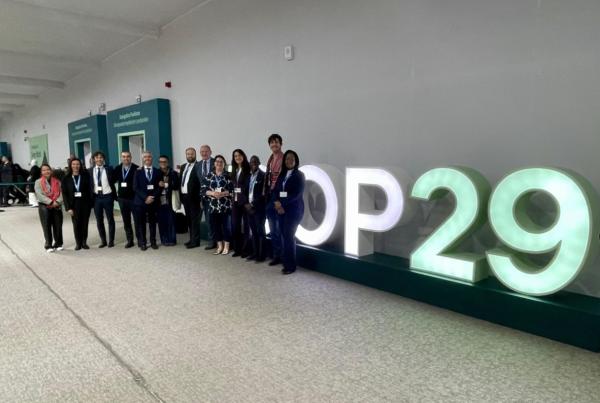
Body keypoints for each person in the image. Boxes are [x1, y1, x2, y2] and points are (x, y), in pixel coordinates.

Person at [272, 150, 305, 275]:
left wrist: (282, 204)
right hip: (280, 210)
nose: (289, 161)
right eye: (286, 159)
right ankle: (286, 262)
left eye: (291, 158)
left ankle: (290, 266)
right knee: (283, 235)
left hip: (293, 210)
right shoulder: (282, 174)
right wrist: (276, 202)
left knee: (288, 236)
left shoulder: (299, 175)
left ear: (296, 161)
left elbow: (297, 194)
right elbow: (275, 191)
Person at [200, 154, 233, 255]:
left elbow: (232, 190)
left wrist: (223, 194)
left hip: (225, 206)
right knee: (216, 227)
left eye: (221, 162)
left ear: (224, 164)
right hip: (213, 206)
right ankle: (220, 246)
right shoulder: (209, 176)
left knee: (226, 227)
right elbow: (203, 190)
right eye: (217, 161)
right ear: (214, 163)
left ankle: (226, 246)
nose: (219, 163)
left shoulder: (228, 175)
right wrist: (213, 193)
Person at [263, 134, 285, 265]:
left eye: (276, 142)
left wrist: (279, 198)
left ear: (281, 144)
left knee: (280, 228)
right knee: (272, 228)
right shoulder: (271, 159)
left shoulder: (285, 158)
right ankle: (277, 255)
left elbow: (284, 179)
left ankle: (283, 256)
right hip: (270, 195)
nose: (274, 145)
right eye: (271, 143)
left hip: (279, 196)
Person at [61, 158, 92, 250]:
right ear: (70, 165)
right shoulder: (66, 178)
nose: (76, 166)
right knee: (76, 224)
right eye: (73, 164)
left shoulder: (85, 176)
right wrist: (68, 208)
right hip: (73, 205)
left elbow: (90, 190)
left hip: (85, 204)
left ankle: (84, 242)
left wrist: (90, 203)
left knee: (85, 224)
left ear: (80, 165)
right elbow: (64, 194)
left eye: (77, 164)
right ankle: (78, 243)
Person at [133, 151, 161, 251]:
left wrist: (152, 197)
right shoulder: (137, 171)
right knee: (141, 223)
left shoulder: (157, 171)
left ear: (152, 158)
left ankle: (153, 242)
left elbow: (160, 187)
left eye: (149, 156)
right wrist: (145, 198)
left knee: (153, 223)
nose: (147, 158)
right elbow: (135, 187)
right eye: (145, 157)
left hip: (153, 201)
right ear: (143, 159)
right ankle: (143, 242)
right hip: (141, 202)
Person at [89, 151, 116, 248]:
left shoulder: (109, 169)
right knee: (99, 220)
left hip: (108, 197)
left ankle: (111, 240)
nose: (99, 159)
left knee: (110, 219)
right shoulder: (90, 171)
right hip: (96, 198)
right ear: (94, 159)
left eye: (101, 157)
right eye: (97, 157)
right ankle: (103, 241)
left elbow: (118, 175)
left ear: (103, 159)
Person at [112, 151, 139, 248]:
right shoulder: (118, 168)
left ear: (131, 157)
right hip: (122, 199)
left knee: (137, 220)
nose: (126, 158)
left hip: (134, 199)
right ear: (121, 158)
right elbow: (112, 181)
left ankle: (140, 239)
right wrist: (115, 196)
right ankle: (130, 240)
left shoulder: (137, 168)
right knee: (126, 221)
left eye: (128, 156)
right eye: (123, 157)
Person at [34, 164, 64, 252]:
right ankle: (48, 245)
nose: (46, 171)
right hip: (44, 206)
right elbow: (39, 195)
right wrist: (50, 202)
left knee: (58, 225)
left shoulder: (57, 181)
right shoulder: (38, 182)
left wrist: (57, 201)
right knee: (46, 226)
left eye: (48, 169)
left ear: (51, 171)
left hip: (57, 205)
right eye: (44, 170)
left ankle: (58, 243)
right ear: (41, 172)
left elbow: (62, 193)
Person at [245, 155, 267, 262]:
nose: (253, 163)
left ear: (259, 163)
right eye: (251, 162)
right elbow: (245, 191)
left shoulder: (264, 176)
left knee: (260, 232)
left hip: (259, 208)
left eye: (255, 161)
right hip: (249, 209)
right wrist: (246, 204)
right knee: (253, 232)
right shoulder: (248, 176)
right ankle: (255, 253)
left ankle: (261, 255)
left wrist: (252, 204)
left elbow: (264, 194)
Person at [230, 149, 251, 257]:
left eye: (239, 155)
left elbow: (248, 186)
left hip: (245, 201)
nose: (237, 157)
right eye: (235, 156)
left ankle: (246, 250)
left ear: (243, 156)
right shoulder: (234, 170)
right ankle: (237, 249)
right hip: (235, 201)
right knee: (235, 226)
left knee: (246, 226)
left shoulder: (248, 169)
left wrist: (246, 200)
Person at [179, 147, 201, 248]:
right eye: (188, 154)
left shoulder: (199, 166)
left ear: (195, 154)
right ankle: (192, 239)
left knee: (194, 220)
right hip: (184, 197)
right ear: (186, 155)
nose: (190, 156)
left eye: (192, 154)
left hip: (194, 197)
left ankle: (195, 241)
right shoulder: (183, 166)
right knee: (188, 219)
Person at [157, 155, 180, 246]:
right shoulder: (156, 172)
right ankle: (164, 240)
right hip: (160, 201)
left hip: (171, 200)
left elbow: (176, 185)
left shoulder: (173, 173)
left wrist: (166, 185)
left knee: (171, 221)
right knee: (162, 221)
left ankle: (172, 240)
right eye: (161, 162)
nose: (163, 163)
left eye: (164, 162)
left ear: (168, 162)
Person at [198, 145, 216, 249]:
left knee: (216, 220)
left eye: (206, 151)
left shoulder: (216, 162)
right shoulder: (198, 165)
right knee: (209, 220)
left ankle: (219, 240)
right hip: (204, 197)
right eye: (202, 152)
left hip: (216, 196)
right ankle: (211, 240)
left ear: (210, 152)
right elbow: (198, 182)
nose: (204, 153)